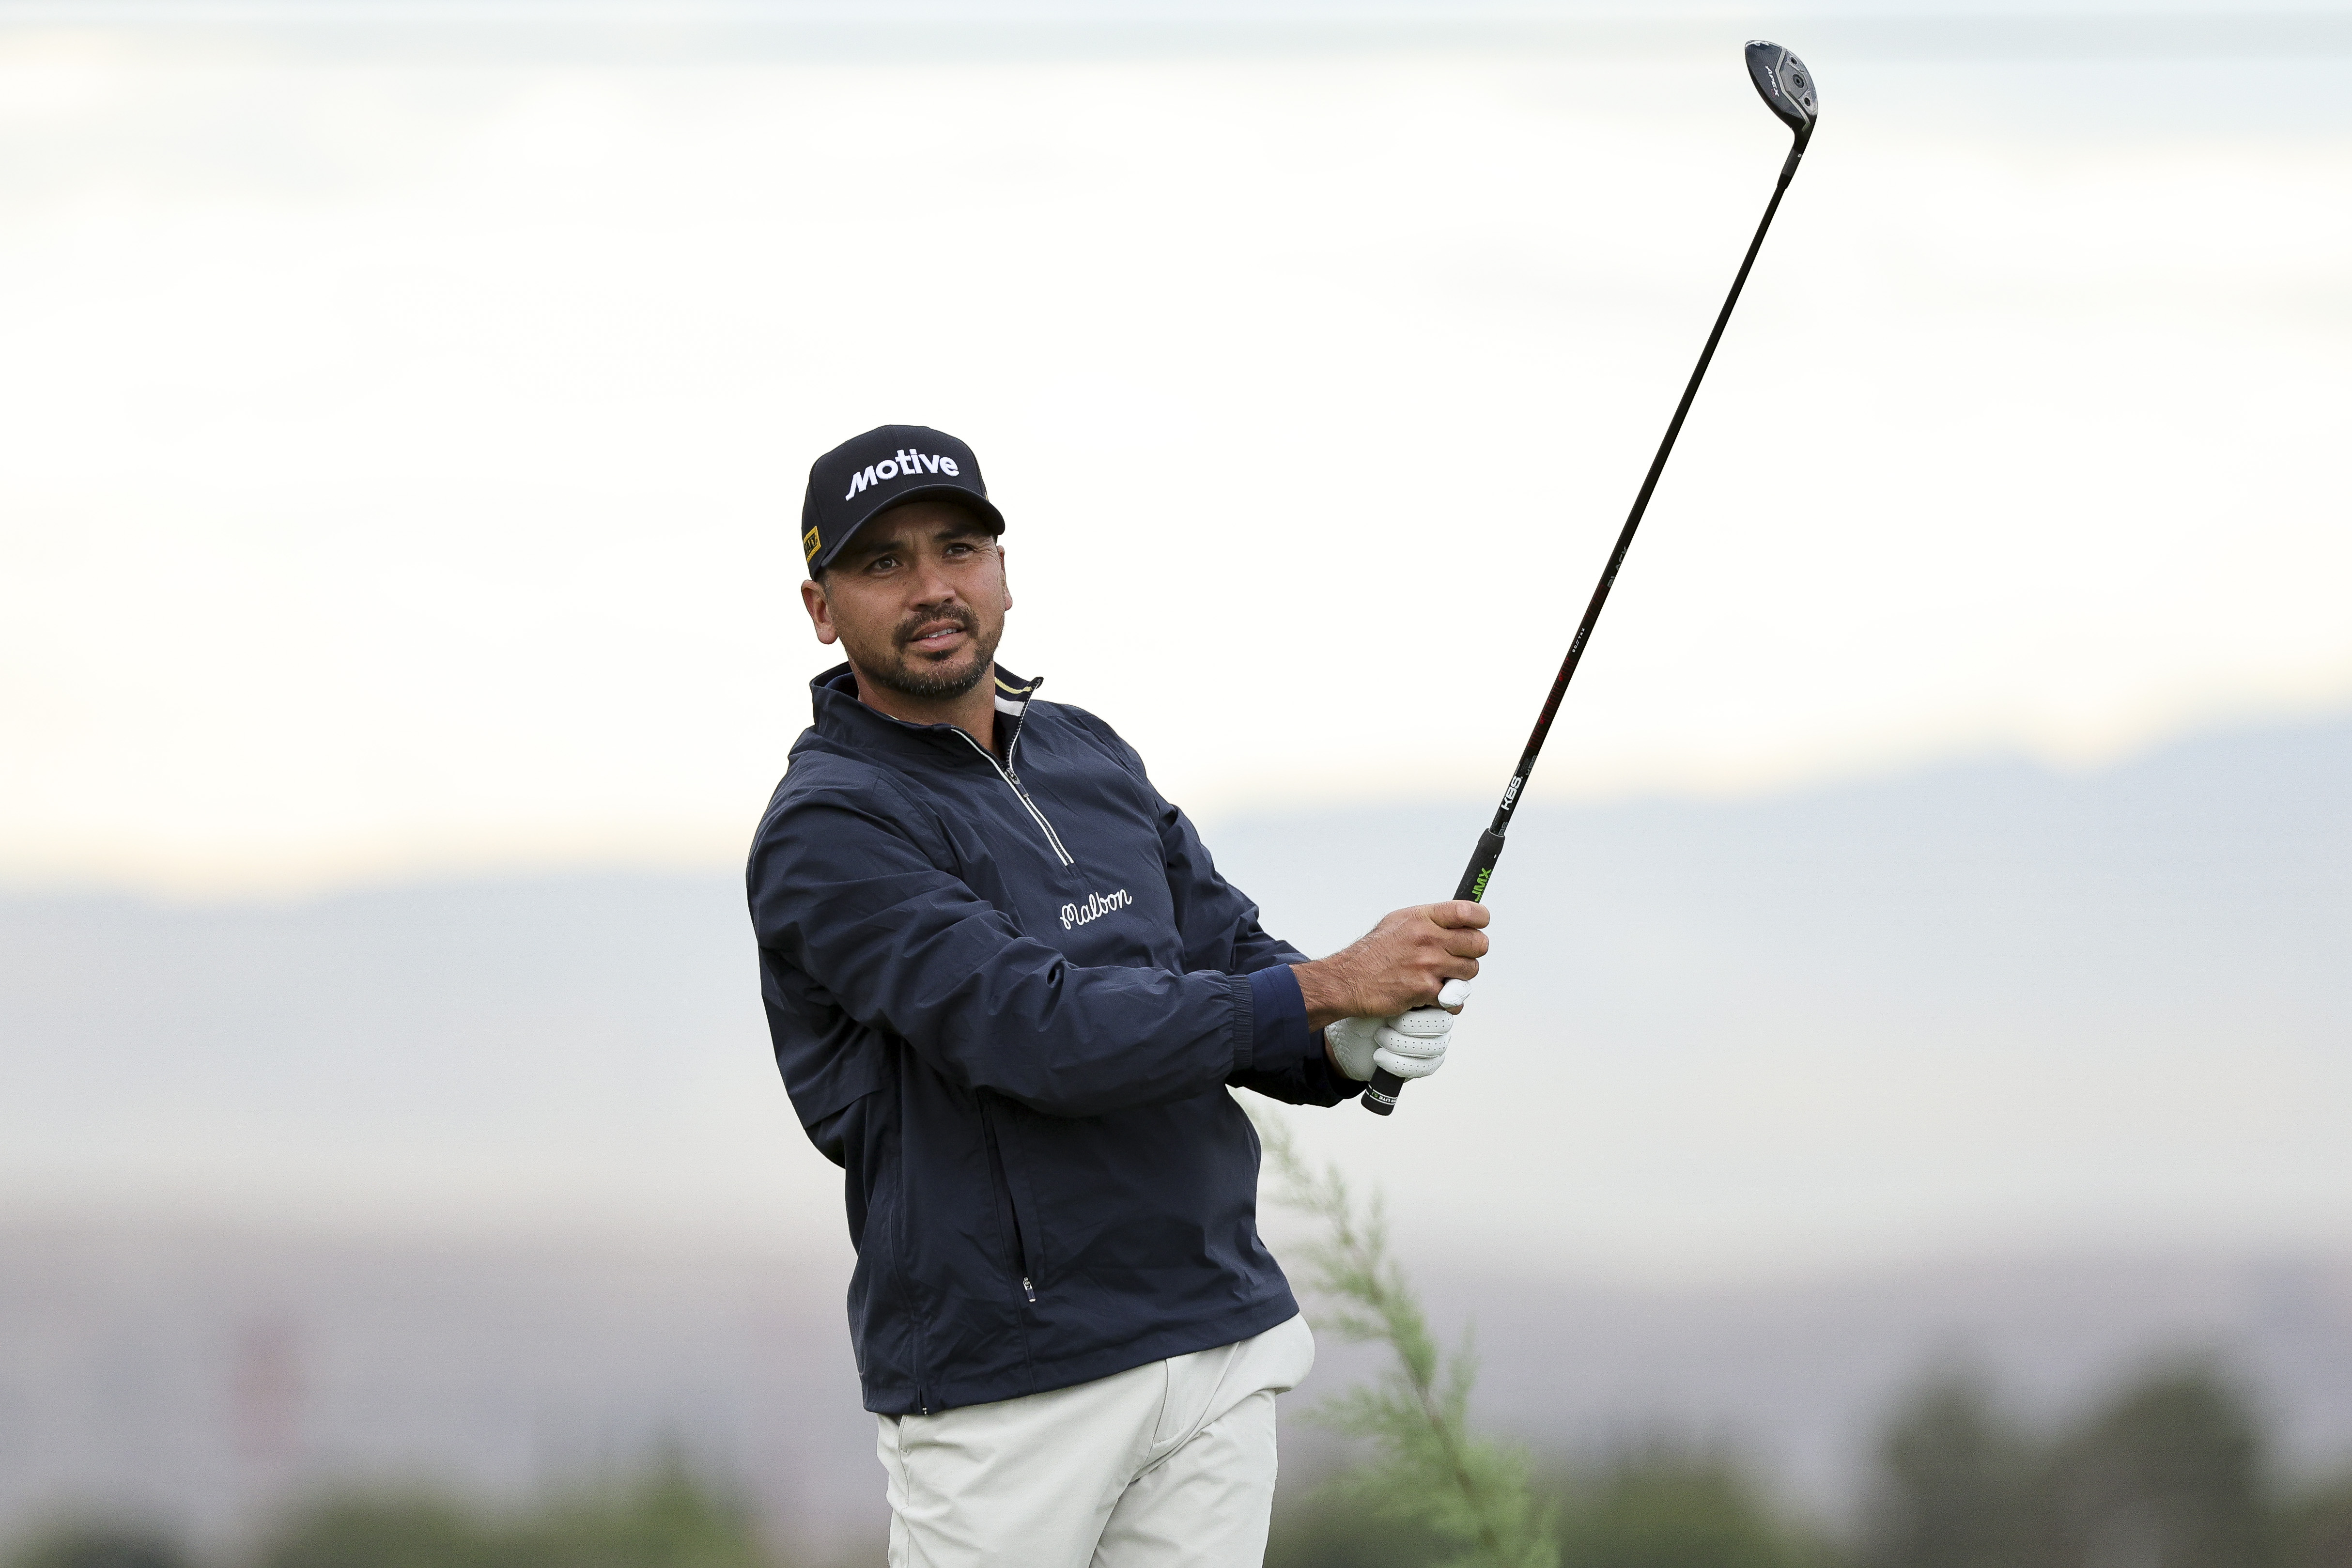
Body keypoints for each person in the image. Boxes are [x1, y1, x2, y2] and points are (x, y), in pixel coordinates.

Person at [746, 424, 1490, 1568]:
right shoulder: (829, 826)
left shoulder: (1084, 751)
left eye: (959, 547)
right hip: (1010, 1382)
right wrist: (1330, 983)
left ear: (1003, 568)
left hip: (1212, 1330)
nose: (934, 586)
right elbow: (1038, 1030)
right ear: (820, 605)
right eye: (883, 562)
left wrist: (1346, 1041)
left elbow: (1227, 952)